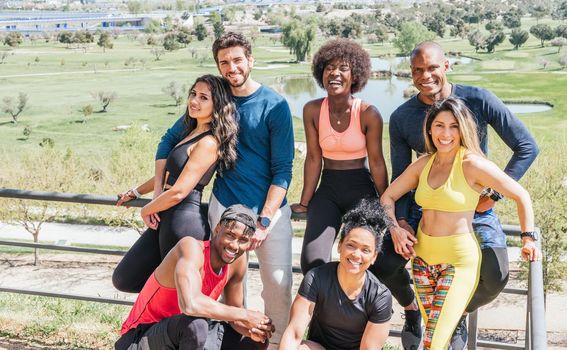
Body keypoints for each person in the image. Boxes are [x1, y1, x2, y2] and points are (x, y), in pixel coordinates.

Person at [370, 41, 540, 350]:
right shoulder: (401, 118)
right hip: (425, 209)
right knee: (382, 264)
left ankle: (457, 308)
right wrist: (401, 224)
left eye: (432, 67)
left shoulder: (478, 100)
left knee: (496, 273)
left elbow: (527, 147)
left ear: (446, 66)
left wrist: (493, 197)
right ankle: (412, 311)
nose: (426, 75)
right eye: (418, 70)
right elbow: (401, 178)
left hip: (473, 205)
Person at [152, 32, 295, 347]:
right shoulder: (215, 98)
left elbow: (283, 170)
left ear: (250, 60)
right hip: (223, 208)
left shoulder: (275, 105)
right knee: (225, 287)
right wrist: (153, 193)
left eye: (237, 60)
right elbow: (169, 139)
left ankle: (275, 345)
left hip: (268, 214)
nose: (232, 67)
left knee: (277, 286)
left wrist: (265, 220)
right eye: (224, 62)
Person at [112, 74, 238, 293]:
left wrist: (147, 209)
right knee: (125, 278)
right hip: (165, 214)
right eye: (193, 94)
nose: (194, 101)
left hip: (182, 220)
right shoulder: (191, 133)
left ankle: (179, 326)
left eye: (203, 97)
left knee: (178, 293)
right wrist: (136, 191)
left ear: (217, 104)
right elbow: (173, 176)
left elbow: (180, 191)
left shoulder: (209, 142)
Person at [290, 38, 388, 275]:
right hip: (328, 189)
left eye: (343, 68)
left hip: (362, 190)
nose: (334, 73)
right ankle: (323, 308)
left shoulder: (367, 113)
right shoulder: (312, 110)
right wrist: (305, 201)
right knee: (312, 262)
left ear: (355, 76)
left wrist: (386, 201)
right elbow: (314, 158)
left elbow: (376, 161)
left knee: (360, 258)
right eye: (329, 68)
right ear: (320, 74)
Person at [115, 204, 273, 350]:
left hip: (184, 336)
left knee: (255, 340)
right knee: (196, 325)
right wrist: (246, 315)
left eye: (243, 240)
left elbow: (235, 317)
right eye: (230, 235)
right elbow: (190, 305)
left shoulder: (237, 262)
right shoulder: (190, 247)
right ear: (218, 229)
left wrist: (256, 327)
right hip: (139, 338)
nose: (234, 245)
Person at [279, 198, 392, 350]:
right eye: (351, 245)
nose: (356, 255)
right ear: (339, 246)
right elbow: (294, 334)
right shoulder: (316, 278)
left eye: (365, 250)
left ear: (374, 257)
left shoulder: (380, 296)